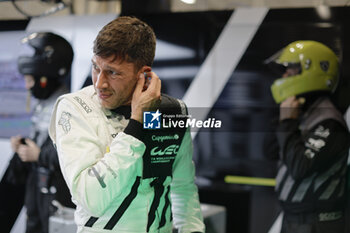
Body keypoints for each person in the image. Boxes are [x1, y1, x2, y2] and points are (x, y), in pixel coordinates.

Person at [48, 16, 205, 233]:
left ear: (143, 74)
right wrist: (137, 123)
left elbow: (183, 188)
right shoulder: (75, 108)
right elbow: (92, 199)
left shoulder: (172, 112)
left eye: (113, 72)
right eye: (96, 67)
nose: (99, 83)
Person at [266, 40, 350, 233]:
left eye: (291, 69)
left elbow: (300, 166)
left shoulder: (330, 122)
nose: (285, 75)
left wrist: (287, 123)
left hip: (318, 224)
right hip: (295, 220)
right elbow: (269, 151)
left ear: (312, 70)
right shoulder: (304, 114)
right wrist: (283, 119)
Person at [8, 32, 75, 233]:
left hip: (59, 198)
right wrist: (22, 148)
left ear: (45, 77)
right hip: (37, 192)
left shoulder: (68, 106)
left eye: (30, 80)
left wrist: (39, 155)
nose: (28, 86)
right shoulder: (42, 105)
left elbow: (73, 152)